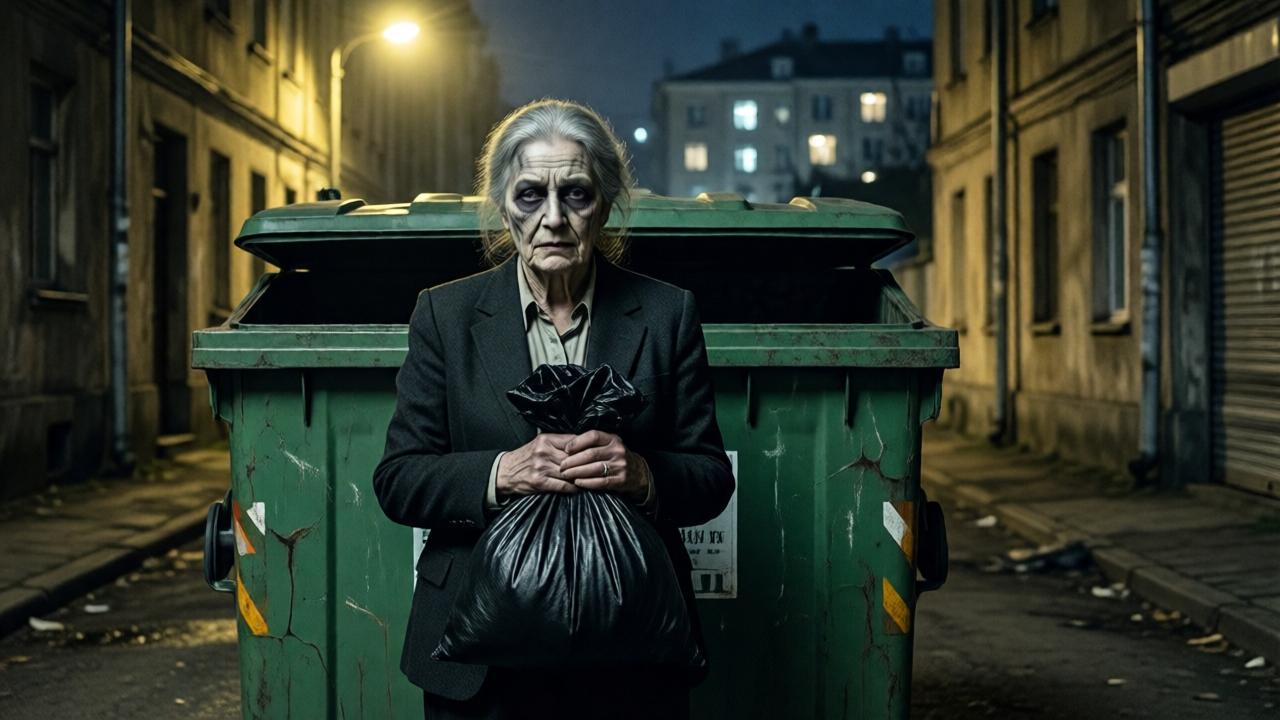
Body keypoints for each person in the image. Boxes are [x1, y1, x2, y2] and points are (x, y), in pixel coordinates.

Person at [372, 99, 736, 719]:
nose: (553, 219)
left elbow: (709, 478)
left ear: (607, 202)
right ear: (501, 205)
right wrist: (500, 473)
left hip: (628, 647)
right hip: (478, 651)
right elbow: (398, 479)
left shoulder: (667, 313)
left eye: (576, 194)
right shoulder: (446, 315)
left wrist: (644, 474)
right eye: (530, 195)